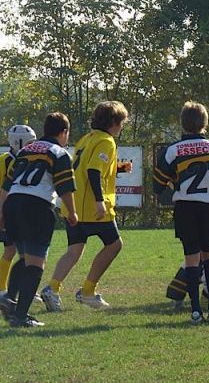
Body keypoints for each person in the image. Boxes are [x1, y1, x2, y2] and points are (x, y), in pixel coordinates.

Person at [40, 101, 130, 312]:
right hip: (92, 207)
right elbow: (93, 172)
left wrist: (119, 168)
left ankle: (52, 288)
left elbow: (86, 167)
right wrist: (100, 201)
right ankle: (88, 291)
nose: (122, 126)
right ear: (113, 122)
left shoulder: (86, 139)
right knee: (115, 245)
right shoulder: (107, 141)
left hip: (75, 204)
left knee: (74, 250)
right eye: (122, 122)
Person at [154, 101, 209, 324]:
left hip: (186, 207)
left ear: (182, 124)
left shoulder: (172, 150)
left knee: (191, 258)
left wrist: (175, 183)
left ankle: (195, 310)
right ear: (205, 123)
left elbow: (157, 185)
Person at [0, 113, 78, 327]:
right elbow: (64, 187)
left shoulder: (26, 150)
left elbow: (6, 185)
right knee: (36, 264)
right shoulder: (59, 152)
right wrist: (71, 213)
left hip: (13, 203)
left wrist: (1, 212)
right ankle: (21, 316)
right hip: (36, 206)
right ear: (63, 132)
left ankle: (8, 299)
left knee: (25, 258)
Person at [0, 125, 37, 295]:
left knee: (17, 250)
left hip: (13, 210)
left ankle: (21, 287)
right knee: (12, 250)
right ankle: (3, 288)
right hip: (6, 209)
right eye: (31, 141)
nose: (33, 144)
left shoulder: (19, 158)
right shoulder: (8, 161)